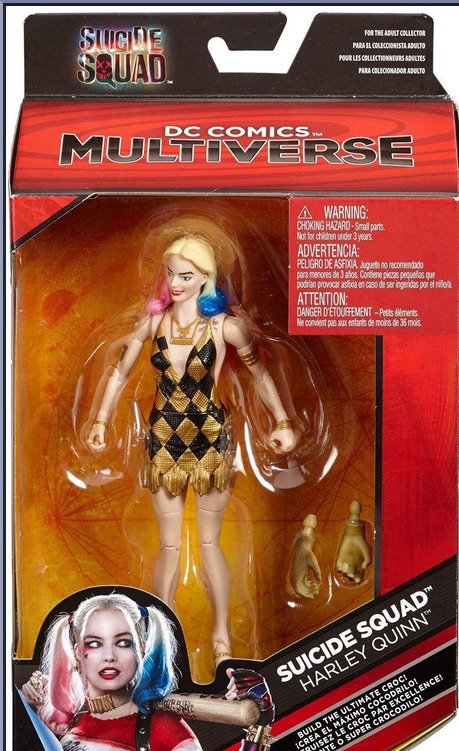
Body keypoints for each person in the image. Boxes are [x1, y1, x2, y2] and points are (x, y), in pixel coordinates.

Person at [85, 216, 300, 663]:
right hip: (163, 439)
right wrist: (101, 419)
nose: (176, 283)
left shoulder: (225, 328)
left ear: (206, 277)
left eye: (186, 275)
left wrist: (283, 421)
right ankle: (158, 636)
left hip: (210, 439)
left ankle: (222, 638)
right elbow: (119, 372)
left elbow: (261, 375)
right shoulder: (154, 323)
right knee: (168, 546)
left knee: (209, 543)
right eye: (171, 274)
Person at [21, 593, 274, 751]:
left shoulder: (160, 728)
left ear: (141, 649)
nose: (109, 656)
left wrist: (259, 727)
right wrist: (21, 706)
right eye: (95, 643)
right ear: (78, 653)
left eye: (123, 642)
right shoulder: (70, 720)